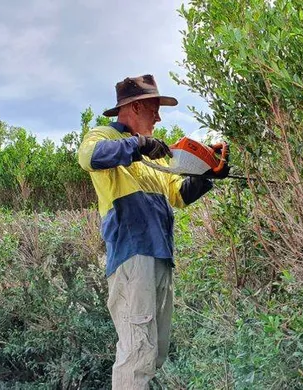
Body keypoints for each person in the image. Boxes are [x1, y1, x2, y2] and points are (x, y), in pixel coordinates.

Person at [77, 74, 226, 389]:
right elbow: (88, 157)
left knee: (152, 353)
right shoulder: (104, 136)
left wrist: (210, 172)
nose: (158, 117)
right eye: (154, 108)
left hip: (159, 257)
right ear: (133, 107)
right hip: (134, 256)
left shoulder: (150, 157)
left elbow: (180, 194)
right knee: (137, 354)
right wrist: (138, 144)